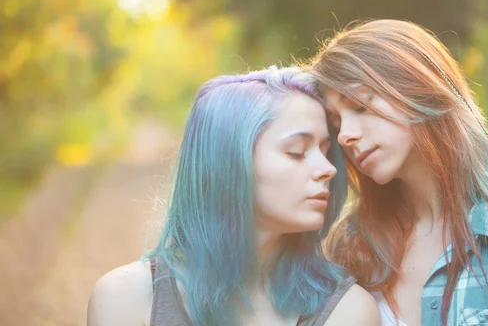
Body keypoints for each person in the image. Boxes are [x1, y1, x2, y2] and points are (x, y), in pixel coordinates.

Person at [306, 20, 488, 325]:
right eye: (336, 123)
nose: (345, 136)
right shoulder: (347, 243)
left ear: (420, 87)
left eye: (360, 106)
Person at [87, 67, 380, 326]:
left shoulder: (347, 311)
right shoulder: (124, 300)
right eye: (297, 152)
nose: (327, 169)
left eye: (326, 152)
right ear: (226, 164)